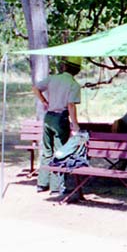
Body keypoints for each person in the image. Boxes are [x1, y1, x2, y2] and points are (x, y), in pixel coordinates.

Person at [32, 56, 82, 195]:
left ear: (65, 67)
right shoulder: (73, 84)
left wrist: (44, 101)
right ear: (77, 70)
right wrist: (75, 125)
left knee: (47, 151)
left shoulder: (53, 78)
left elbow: (35, 88)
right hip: (61, 118)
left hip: (48, 117)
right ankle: (56, 186)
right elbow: (71, 105)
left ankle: (42, 183)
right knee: (59, 152)